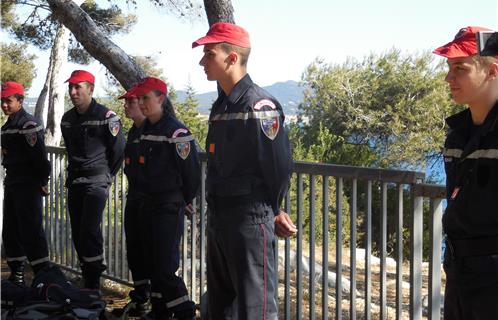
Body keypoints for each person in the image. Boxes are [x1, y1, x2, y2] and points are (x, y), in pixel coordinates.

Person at [192, 22, 297, 319]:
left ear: (232, 58)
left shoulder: (260, 106)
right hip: (221, 217)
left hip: (249, 220)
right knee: (219, 306)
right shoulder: (222, 106)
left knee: (256, 308)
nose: (202, 62)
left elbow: (278, 166)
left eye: (209, 54)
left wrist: (273, 209)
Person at [433, 26, 498, 319]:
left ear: (492, 71)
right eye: (448, 68)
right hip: (460, 276)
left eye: (459, 68)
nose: (449, 78)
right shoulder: (456, 136)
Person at [132, 77, 200, 320]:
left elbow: (191, 173)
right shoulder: (145, 129)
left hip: (168, 207)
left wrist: (183, 200)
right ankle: (160, 311)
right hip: (148, 205)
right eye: (139, 99)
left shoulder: (176, 131)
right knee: (152, 264)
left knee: (164, 267)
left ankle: (184, 311)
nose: (140, 103)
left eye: (145, 98)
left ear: (161, 98)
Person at [60, 70, 126, 290]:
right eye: (71, 87)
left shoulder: (107, 117)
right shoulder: (67, 119)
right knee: (78, 232)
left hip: (96, 181)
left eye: (78, 87)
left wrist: (105, 176)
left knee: (89, 229)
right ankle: (87, 274)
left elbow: (118, 152)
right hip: (75, 181)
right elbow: (70, 149)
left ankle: (94, 281)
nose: (73, 91)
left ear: (91, 89)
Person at [1, 81, 51, 284]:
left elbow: (39, 158)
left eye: (8, 101)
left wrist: (42, 181)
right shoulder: (7, 126)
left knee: (31, 230)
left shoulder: (28, 124)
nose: (4, 105)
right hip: (12, 183)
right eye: (2, 101)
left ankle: (42, 275)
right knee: (11, 230)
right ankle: (17, 272)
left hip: (28, 185)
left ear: (20, 101)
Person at [115, 85, 150, 317]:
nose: (126, 106)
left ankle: (155, 303)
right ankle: (140, 299)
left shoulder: (155, 130)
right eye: (125, 102)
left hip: (153, 203)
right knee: (135, 252)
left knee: (153, 254)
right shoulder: (133, 132)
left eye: (130, 102)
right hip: (134, 198)